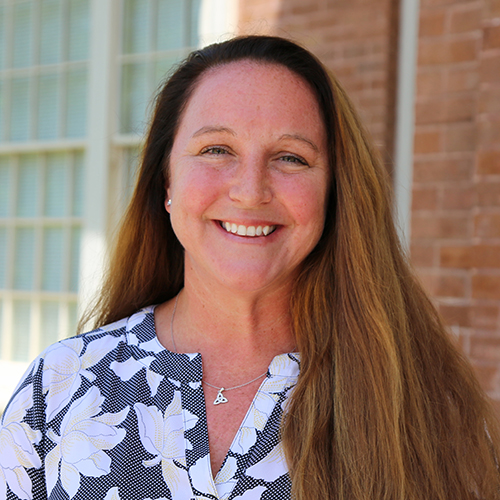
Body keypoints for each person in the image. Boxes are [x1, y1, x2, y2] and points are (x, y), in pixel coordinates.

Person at [1, 35, 499, 500]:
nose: (250, 190)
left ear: (334, 193)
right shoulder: (61, 389)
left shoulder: (425, 410)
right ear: (166, 182)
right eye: (216, 149)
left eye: (290, 157)